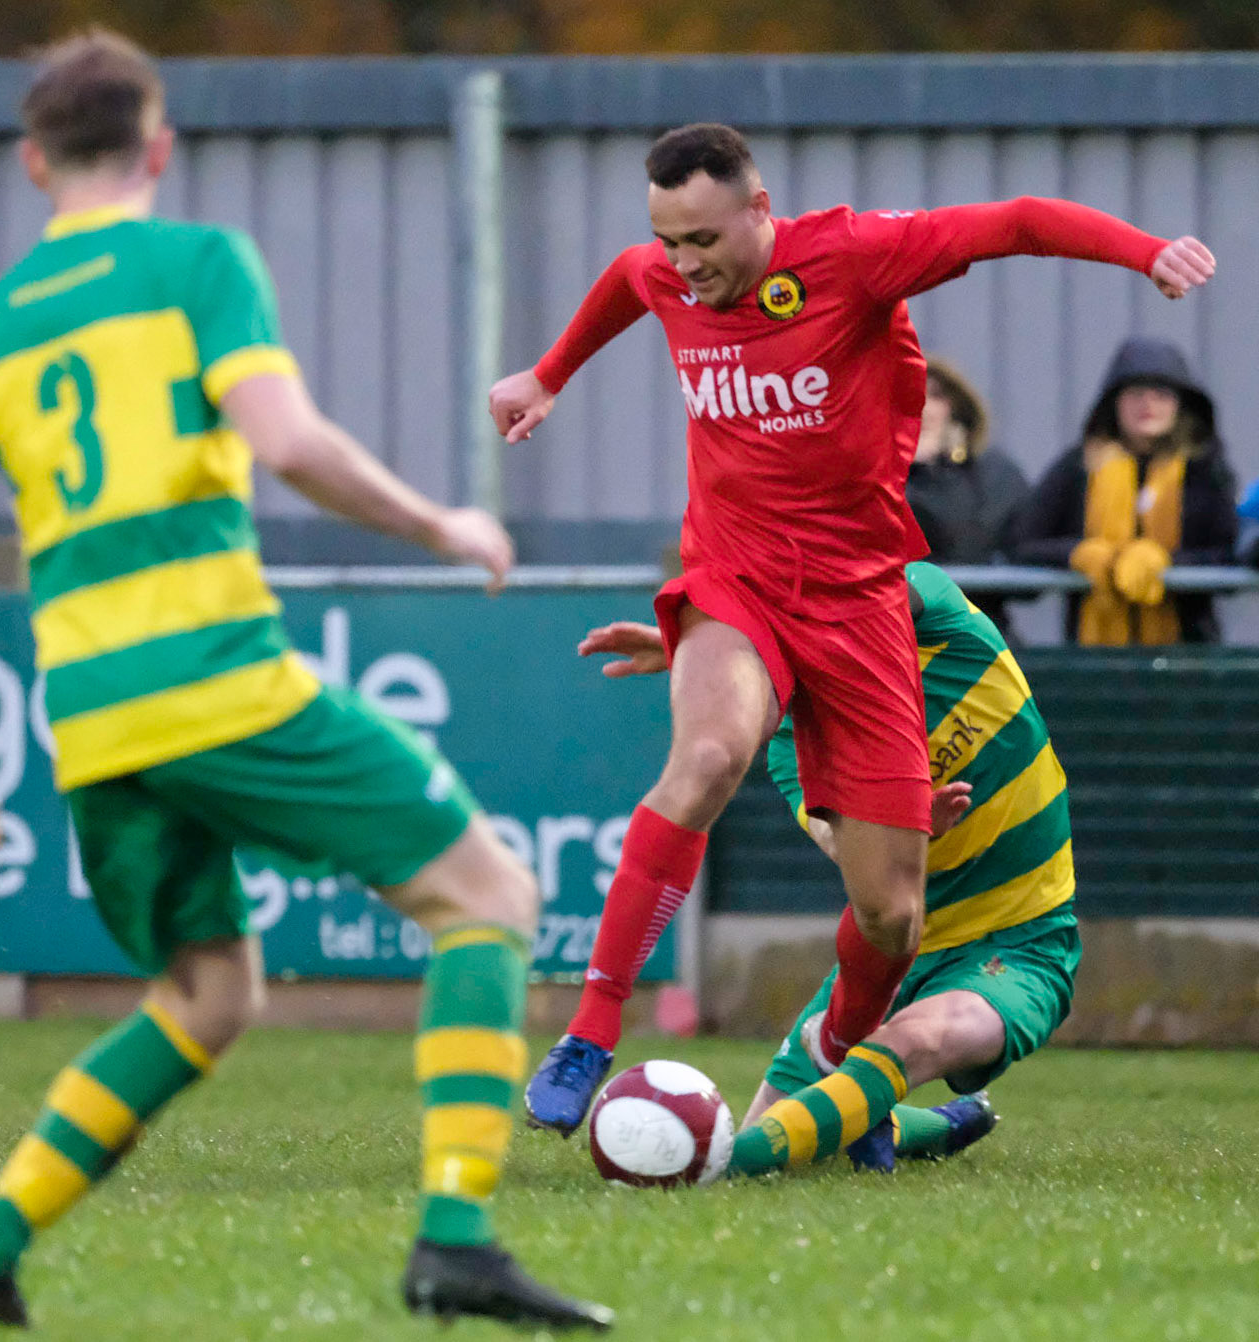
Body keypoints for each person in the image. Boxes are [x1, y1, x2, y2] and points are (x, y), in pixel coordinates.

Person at [0, 30, 609, 1333]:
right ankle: (456, 1233)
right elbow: (289, 440)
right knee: (490, 894)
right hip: (218, 678)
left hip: (94, 727)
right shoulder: (200, 264)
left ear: (32, 163)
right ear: (158, 148)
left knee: (210, 993)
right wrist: (441, 521)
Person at [488, 122, 1210, 1135]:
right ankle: (588, 1032)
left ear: (757, 208)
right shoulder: (661, 274)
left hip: (859, 601)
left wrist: (1141, 251)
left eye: (702, 239)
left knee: (888, 912)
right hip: (735, 579)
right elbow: (624, 278)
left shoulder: (852, 258)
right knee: (703, 759)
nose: (683, 265)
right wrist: (546, 375)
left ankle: (841, 1070)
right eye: (669, 241)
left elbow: (1010, 222)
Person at [565, 562, 1079, 1176]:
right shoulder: (791, 740)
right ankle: (917, 1126)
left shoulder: (932, 611)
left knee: (913, 1042)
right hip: (894, 952)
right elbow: (838, 842)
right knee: (779, 1129)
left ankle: (709, 1163)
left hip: (1023, 944)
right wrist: (901, 827)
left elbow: (863, 596)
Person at [1010, 336, 1238, 644]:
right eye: (1135, 394)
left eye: (1161, 394)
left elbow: (1227, 553)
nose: (1148, 405)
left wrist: (1164, 561)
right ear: (1114, 402)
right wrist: (1081, 554)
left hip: (1187, 653)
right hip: (1093, 660)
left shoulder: (1205, 470)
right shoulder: (1079, 466)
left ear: (1180, 405)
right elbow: (1024, 543)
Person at [906, 356, 1028, 634]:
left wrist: (939, 471)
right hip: (897, 635)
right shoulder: (870, 472)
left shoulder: (994, 473)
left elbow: (1018, 547)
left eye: (935, 396)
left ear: (955, 406)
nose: (924, 408)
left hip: (979, 631)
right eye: (909, 392)